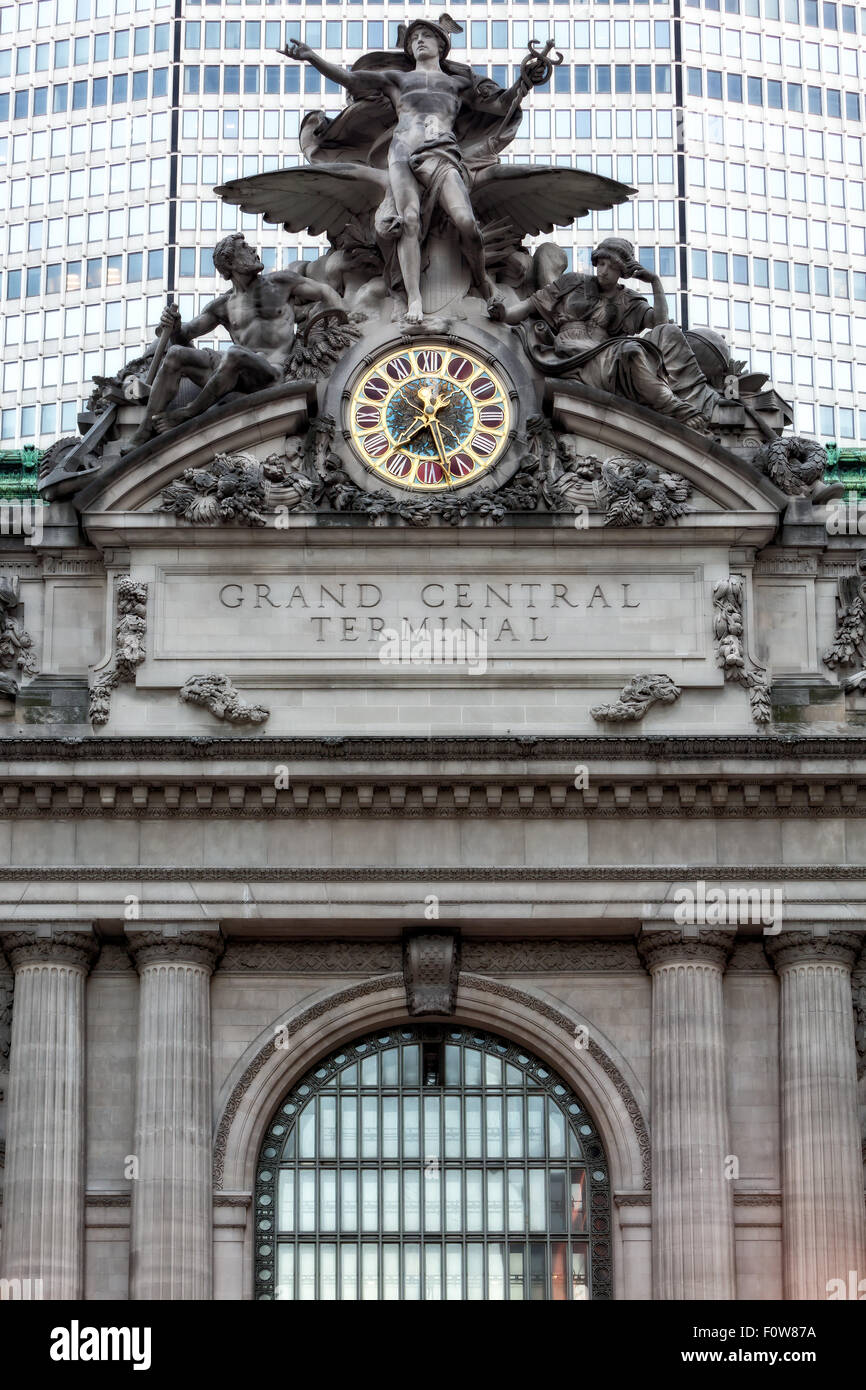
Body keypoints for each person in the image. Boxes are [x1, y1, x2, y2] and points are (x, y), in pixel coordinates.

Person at [283, 18, 532, 323]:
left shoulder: (459, 84)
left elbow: (501, 104)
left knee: (466, 221)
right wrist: (312, 57)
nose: (419, 41)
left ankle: (481, 280)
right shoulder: (397, 80)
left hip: (442, 152)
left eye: (426, 36)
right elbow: (351, 80)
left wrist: (525, 82)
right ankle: (413, 297)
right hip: (402, 153)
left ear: (441, 45)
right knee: (408, 220)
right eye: (414, 38)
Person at [125, 234, 341, 449]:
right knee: (175, 354)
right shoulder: (222, 305)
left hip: (272, 372)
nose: (254, 251)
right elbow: (184, 336)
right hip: (235, 374)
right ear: (230, 263)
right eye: (245, 248)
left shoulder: (281, 283)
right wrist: (175, 324)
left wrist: (348, 318)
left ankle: (188, 413)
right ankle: (145, 429)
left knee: (235, 353)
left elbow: (325, 291)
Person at [489, 237, 723, 428]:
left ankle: (673, 403)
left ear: (623, 271)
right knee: (630, 351)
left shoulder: (627, 299)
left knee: (638, 347)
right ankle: (673, 406)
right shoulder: (572, 283)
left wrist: (654, 282)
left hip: (606, 353)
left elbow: (660, 323)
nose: (604, 271)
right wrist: (503, 313)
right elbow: (529, 306)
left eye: (612, 267)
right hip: (569, 352)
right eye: (601, 263)